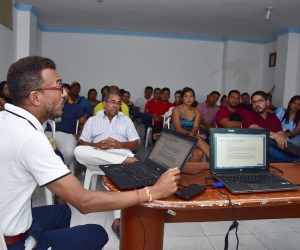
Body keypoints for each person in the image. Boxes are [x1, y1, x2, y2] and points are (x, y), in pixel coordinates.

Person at [0, 56, 180, 249]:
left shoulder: (6, 119)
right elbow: (83, 202)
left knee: (62, 213)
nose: (64, 95)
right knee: (96, 233)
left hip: (14, 221)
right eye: (59, 87)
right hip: (12, 240)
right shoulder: (30, 138)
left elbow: (135, 142)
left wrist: (118, 146)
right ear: (35, 98)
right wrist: (152, 191)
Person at [75, 90, 140, 237]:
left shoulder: (126, 121)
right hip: (98, 155)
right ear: (104, 103)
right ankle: (123, 161)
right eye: (112, 102)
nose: (115, 106)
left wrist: (120, 144)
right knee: (78, 151)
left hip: (121, 153)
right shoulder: (92, 120)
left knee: (121, 172)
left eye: (118, 103)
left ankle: (117, 220)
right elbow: (82, 141)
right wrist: (96, 145)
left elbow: (135, 144)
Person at [242, 91, 298, 162]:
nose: (257, 104)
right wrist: (274, 135)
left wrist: (281, 138)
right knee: (267, 147)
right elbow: (255, 128)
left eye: (260, 101)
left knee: (287, 145)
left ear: (268, 102)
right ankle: (294, 161)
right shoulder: (249, 115)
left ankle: (295, 159)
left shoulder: (274, 118)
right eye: (254, 102)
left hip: (273, 145)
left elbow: (280, 134)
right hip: (254, 147)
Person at [45, 84, 87, 166]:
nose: (65, 95)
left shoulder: (75, 107)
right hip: (48, 133)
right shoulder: (50, 106)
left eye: (68, 93)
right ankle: (48, 169)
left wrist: (78, 134)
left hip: (67, 134)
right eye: (62, 92)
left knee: (69, 151)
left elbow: (86, 123)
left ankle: (58, 169)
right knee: (38, 149)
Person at [171, 87, 210, 161]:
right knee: (198, 140)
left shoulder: (197, 111)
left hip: (190, 137)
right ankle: (218, 164)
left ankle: (186, 171)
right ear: (182, 98)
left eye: (191, 96)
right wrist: (194, 135)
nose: (189, 98)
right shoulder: (176, 110)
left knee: (199, 153)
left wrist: (192, 135)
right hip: (177, 137)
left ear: (194, 98)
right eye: (186, 96)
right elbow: (178, 129)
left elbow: (195, 127)